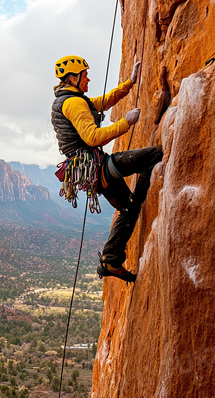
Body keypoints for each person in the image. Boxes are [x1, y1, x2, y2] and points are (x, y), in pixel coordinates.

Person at [51, 55, 163, 283]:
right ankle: (143, 194)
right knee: (155, 155)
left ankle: (110, 259)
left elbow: (102, 102)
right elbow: (92, 137)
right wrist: (126, 122)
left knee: (129, 209)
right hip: (98, 167)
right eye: (85, 75)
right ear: (73, 78)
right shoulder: (73, 102)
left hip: (92, 170)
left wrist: (129, 83)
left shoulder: (71, 99)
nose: (88, 79)